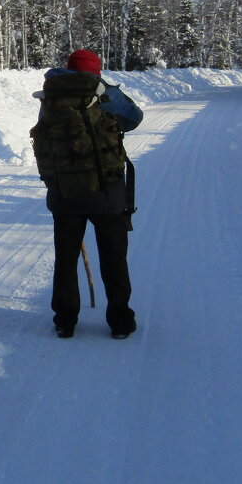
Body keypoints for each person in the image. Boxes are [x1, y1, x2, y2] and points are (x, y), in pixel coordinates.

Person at [40, 49, 143, 339]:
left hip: (64, 193)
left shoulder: (51, 94)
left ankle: (65, 320)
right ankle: (121, 321)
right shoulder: (103, 91)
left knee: (65, 258)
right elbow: (135, 118)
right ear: (95, 71)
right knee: (113, 258)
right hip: (107, 192)